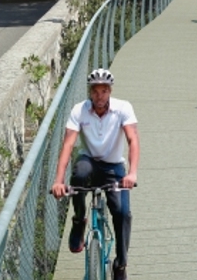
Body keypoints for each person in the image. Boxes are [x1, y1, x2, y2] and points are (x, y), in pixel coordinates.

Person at [51, 68, 139, 280]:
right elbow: (68, 145)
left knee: (123, 214)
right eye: (95, 92)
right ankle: (80, 220)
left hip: (114, 166)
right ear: (90, 92)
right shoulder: (79, 110)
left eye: (104, 91)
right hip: (89, 161)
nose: (99, 96)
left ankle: (120, 264)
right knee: (79, 175)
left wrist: (132, 173)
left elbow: (132, 139)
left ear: (110, 91)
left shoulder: (123, 108)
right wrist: (58, 180)